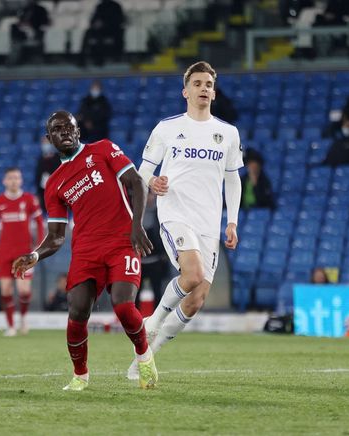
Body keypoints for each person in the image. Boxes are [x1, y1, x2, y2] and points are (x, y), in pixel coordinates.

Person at [11, 110, 158, 391]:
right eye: (57, 128)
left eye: (69, 127)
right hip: (86, 250)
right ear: (48, 138)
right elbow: (55, 237)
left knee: (124, 306)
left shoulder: (103, 149)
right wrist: (34, 255)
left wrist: (137, 226)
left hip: (121, 241)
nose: (64, 131)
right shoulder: (53, 184)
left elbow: (137, 182)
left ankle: (144, 357)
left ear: (78, 131)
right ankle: (80, 376)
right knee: (77, 311)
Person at [129, 61, 242, 378]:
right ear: (185, 91)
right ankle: (151, 323)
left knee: (197, 299)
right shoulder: (167, 128)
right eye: (197, 83)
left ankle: (148, 354)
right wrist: (152, 183)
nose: (203, 88)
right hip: (175, 213)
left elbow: (233, 180)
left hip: (209, 221)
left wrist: (231, 221)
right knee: (191, 275)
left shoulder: (227, 134)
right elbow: (142, 173)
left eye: (208, 84)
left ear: (214, 92)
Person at [0, 167, 44, 336]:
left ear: (21, 180)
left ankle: (23, 318)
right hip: (4, 252)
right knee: (6, 290)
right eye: (10, 178)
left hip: (25, 253)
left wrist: (39, 244)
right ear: (4, 181)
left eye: (17, 178)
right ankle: (10, 326)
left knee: (24, 290)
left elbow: (39, 222)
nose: (13, 181)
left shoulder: (30, 200)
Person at [80, 0, 125, 66]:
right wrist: (95, 24)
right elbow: (93, 18)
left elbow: (119, 20)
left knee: (100, 37)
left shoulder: (115, 6)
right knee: (88, 33)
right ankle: (82, 59)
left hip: (112, 30)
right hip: (100, 30)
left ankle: (99, 59)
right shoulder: (99, 6)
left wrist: (104, 24)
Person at [34, 136, 62, 211]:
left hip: (57, 190)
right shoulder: (40, 159)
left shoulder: (58, 158)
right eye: (43, 143)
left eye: (47, 143)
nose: (45, 145)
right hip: (44, 191)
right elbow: (38, 176)